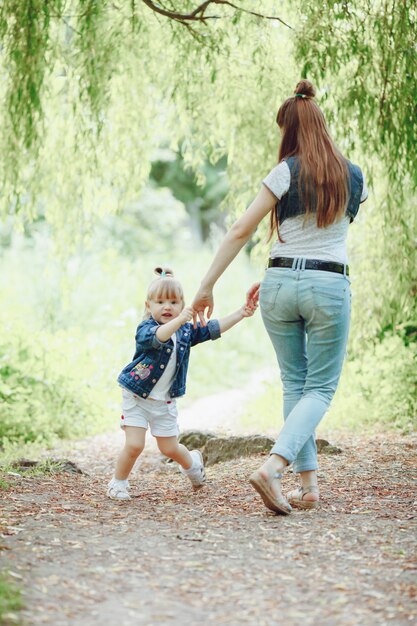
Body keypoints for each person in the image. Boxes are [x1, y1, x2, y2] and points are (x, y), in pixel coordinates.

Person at [192, 80, 368, 515]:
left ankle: (308, 488)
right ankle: (274, 467)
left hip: (278, 282)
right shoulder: (355, 175)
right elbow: (334, 232)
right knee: (320, 387)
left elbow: (240, 229)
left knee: (296, 383)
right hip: (328, 284)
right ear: (321, 124)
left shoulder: (285, 170)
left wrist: (206, 285)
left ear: (288, 130)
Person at [107, 266, 257, 500]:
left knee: (169, 448)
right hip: (136, 396)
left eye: (174, 302)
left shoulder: (186, 331)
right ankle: (118, 483)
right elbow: (159, 337)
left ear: (182, 304)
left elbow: (212, 329)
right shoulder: (146, 329)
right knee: (134, 445)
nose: (167, 307)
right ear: (149, 306)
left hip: (164, 401)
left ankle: (193, 465)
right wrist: (180, 321)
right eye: (160, 302)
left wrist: (241, 312)